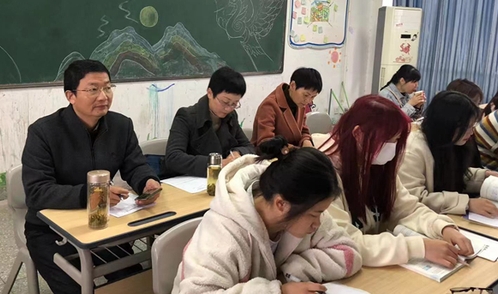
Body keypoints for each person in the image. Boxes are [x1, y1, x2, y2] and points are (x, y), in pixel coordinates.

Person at [22, 60, 162, 294]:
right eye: (93, 89)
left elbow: (136, 165)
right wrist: (95, 195)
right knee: (75, 288)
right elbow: (37, 192)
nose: (103, 96)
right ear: (71, 96)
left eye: (107, 88)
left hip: (102, 223)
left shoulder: (121, 125)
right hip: (50, 230)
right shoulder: (43, 132)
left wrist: (147, 181)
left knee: (132, 282)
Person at [172, 137, 362, 293]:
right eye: (315, 214)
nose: (317, 223)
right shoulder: (223, 232)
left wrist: (293, 271)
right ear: (281, 204)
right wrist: (278, 291)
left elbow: (349, 254)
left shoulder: (301, 205)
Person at [315, 95, 474, 268]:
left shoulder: (376, 164)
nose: (392, 148)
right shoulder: (324, 175)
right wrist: (418, 247)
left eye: (396, 140)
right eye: (387, 141)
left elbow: (407, 209)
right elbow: (346, 242)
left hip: (371, 267)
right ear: (358, 134)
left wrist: (442, 227)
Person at [399, 91, 498, 217]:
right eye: (467, 127)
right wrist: (467, 203)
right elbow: (413, 199)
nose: (471, 133)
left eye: (473, 126)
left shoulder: (446, 140)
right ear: (448, 125)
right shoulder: (412, 150)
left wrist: (484, 177)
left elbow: (452, 174)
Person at [165, 66, 254, 177]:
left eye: (235, 104)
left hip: (221, 178)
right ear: (210, 93)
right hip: (190, 179)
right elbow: (173, 158)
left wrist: (237, 153)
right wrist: (216, 164)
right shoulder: (186, 116)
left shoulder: (231, 116)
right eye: (225, 102)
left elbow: (249, 147)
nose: (228, 108)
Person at [252, 67, 322, 148]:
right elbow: (266, 142)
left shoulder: (300, 103)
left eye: (313, 97)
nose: (308, 101)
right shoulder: (269, 105)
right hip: (272, 153)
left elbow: (303, 130)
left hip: (294, 152)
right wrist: (295, 149)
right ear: (292, 85)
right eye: (306, 95)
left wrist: (306, 141)